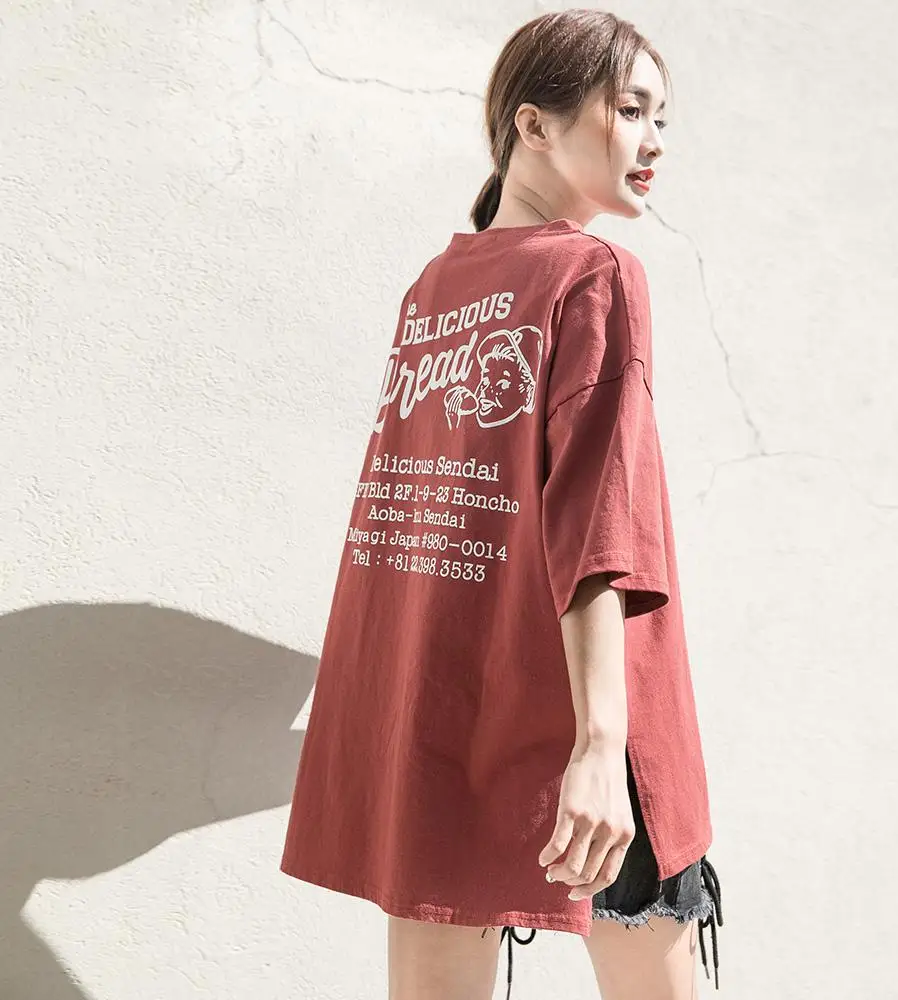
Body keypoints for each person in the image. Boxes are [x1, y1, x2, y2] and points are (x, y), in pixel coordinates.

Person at [280, 9, 723, 999]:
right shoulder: (592, 273)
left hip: (443, 723)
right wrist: (600, 745)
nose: (655, 141)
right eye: (631, 110)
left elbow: (412, 529)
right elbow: (595, 529)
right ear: (533, 123)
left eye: (662, 118)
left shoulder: (436, 288)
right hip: (583, 714)